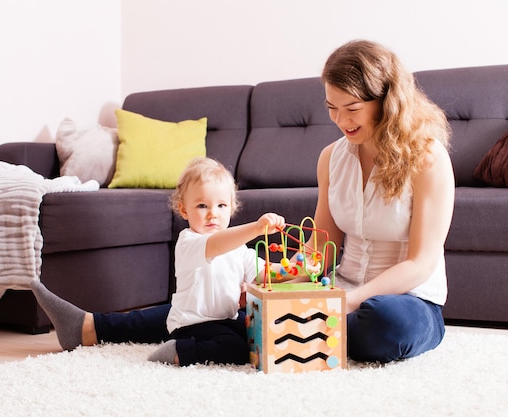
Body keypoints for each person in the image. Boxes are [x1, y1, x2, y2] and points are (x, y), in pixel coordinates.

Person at [31, 39, 454, 364]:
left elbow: (420, 262)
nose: (341, 121)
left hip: (409, 302)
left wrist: (346, 300)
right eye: (331, 107)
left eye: (353, 109)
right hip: (336, 294)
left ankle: (291, 327)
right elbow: (322, 246)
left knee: (385, 323)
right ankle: (92, 327)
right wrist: (273, 284)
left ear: (386, 101)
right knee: (223, 303)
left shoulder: (428, 158)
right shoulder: (332, 158)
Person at [33, 157, 291, 366]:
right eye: (202, 206)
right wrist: (256, 228)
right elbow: (216, 245)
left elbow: (266, 271)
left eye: (222, 205)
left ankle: (91, 328)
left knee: (252, 337)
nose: (213, 214)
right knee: (236, 349)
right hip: (193, 324)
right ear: (184, 209)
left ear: (232, 207)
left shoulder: (239, 249)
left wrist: (297, 269)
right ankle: (180, 352)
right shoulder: (191, 241)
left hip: (222, 319)